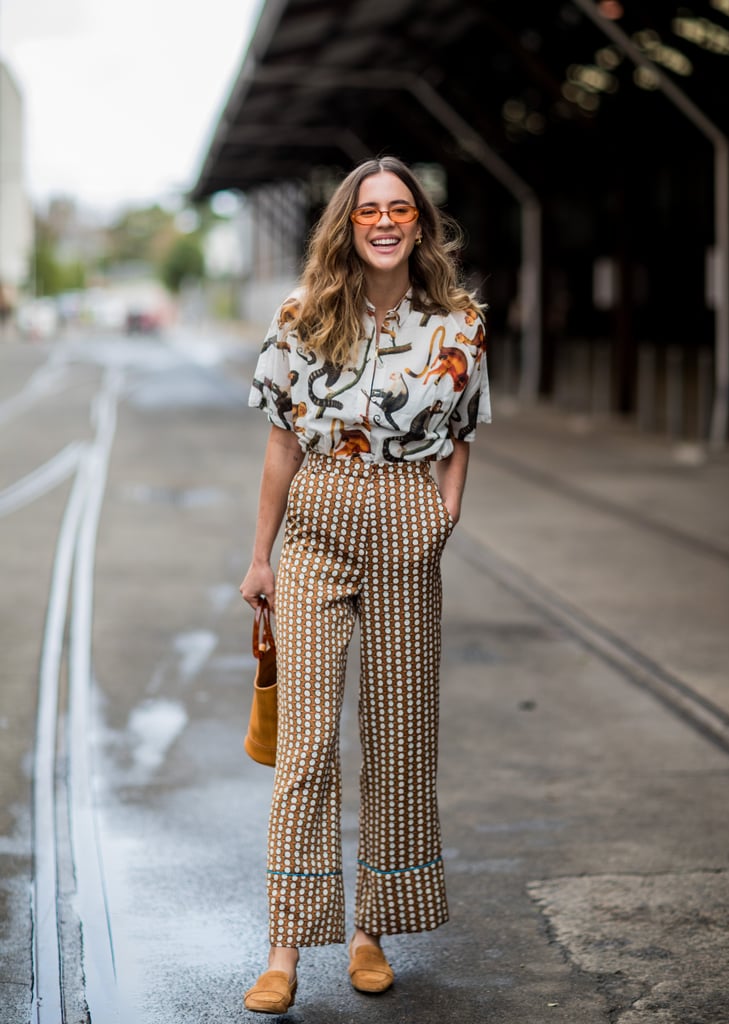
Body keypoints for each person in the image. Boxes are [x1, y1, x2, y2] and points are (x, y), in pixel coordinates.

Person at [239, 155, 491, 1014]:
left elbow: (461, 433)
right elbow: (280, 442)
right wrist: (261, 553)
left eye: (401, 210)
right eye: (368, 211)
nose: (384, 222)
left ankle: (370, 930)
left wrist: (443, 514)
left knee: (397, 734)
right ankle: (284, 946)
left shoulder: (458, 325)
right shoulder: (302, 318)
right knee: (307, 742)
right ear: (347, 225)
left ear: (420, 224)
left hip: (404, 524)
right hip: (316, 523)